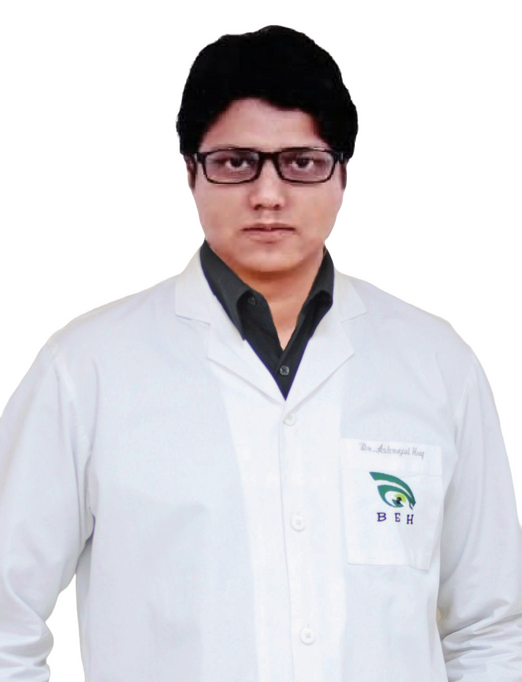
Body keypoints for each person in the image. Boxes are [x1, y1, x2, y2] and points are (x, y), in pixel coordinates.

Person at [0, 22, 521, 682]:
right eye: (234, 162)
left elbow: (489, 628)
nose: (268, 195)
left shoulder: (439, 362)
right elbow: (7, 621)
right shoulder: (83, 367)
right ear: (189, 173)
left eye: (302, 163)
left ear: (344, 176)